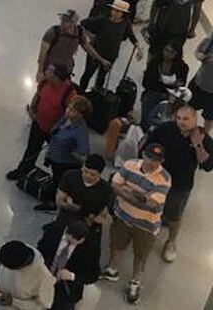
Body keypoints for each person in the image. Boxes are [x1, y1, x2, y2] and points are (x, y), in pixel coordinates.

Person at [100, 142, 171, 305]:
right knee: (117, 245)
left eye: (157, 160)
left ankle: (135, 282)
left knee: (141, 255)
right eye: (149, 157)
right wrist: (140, 196)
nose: (152, 162)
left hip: (145, 225)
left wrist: (127, 192)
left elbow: (152, 205)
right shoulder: (129, 164)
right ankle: (112, 270)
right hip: (122, 216)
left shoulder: (164, 179)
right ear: (143, 154)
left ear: (162, 161)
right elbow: (114, 185)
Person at [144, 104, 212, 263]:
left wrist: (197, 145)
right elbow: (149, 146)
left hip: (180, 184)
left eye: (186, 119)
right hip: (157, 178)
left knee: (174, 215)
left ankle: (171, 241)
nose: (181, 122)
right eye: (179, 118)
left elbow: (207, 165)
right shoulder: (166, 129)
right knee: (150, 206)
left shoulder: (203, 137)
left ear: (195, 119)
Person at [8, 63, 77, 180]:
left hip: (55, 132)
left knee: (57, 157)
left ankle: (58, 182)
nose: (45, 71)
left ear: (56, 77)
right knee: (31, 149)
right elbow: (38, 94)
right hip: (39, 124)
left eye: (49, 71)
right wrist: (32, 108)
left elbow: (72, 116)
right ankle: (23, 170)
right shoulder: (45, 82)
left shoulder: (69, 93)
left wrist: (59, 129)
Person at [35, 219, 99, 310]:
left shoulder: (91, 247)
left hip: (66, 287)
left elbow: (93, 275)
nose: (72, 242)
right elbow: (40, 250)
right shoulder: (53, 231)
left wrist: (72, 276)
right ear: (66, 231)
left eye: (77, 241)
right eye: (69, 239)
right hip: (43, 276)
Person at [78, 0, 139, 91]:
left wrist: (137, 46)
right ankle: (80, 93)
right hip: (95, 52)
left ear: (123, 13)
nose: (114, 13)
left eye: (118, 11)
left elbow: (131, 35)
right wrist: (90, 35)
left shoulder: (125, 23)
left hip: (111, 55)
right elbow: (82, 24)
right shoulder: (103, 19)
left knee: (101, 77)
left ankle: (96, 95)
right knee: (88, 74)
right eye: (113, 10)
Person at [0, 240, 55, 310]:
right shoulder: (10, 249)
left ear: (20, 268)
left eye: (9, 268)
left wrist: (14, 302)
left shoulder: (44, 277)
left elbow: (43, 306)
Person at [44, 96, 93, 191]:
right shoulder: (66, 118)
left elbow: (84, 155)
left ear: (80, 114)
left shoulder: (80, 131)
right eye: (69, 107)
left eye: (72, 110)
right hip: (54, 156)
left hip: (64, 164)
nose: (67, 111)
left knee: (60, 184)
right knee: (55, 179)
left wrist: (69, 151)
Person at [37, 10, 100, 82]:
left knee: (63, 91)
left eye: (66, 20)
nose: (62, 22)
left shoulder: (79, 32)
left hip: (65, 71)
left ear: (73, 23)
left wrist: (100, 59)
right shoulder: (53, 32)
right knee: (45, 91)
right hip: (50, 71)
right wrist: (40, 71)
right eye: (62, 19)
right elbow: (42, 53)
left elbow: (87, 46)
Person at [48, 154, 111, 223]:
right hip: (66, 217)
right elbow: (59, 201)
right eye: (85, 171)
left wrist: (74, 206)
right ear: (83, 167)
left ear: (100, 174)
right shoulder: (70, 175)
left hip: (87, 224)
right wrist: (85, 210)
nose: (87, 176)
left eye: (92, 174)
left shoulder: (106, 189)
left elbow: (102, 216)